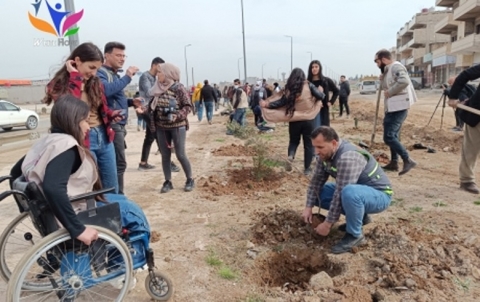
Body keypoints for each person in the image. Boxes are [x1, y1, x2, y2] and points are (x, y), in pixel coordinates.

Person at [17, 95, 150, 246]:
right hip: (74, 211)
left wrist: (29, 210)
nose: (88, 127)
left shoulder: (47, 141)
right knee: (132, 212)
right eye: (86, 121)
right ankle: (126, 262)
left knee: (123, 200)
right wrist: (78, 229)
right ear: (73, 120)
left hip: (57, 208)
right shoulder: (67, 147)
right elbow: (52, 188)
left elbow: (16, 174)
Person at [43, 42, 122, 193]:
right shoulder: (59, 84)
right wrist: (75, 77)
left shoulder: (94, 82)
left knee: (111, 187)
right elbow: (69, 108)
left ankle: (113, 215)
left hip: (104, 136)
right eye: (91, 67)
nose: (94, 73)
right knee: (90, 188)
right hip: (83, 139)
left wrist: (111, 115)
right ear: (77, 61)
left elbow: (99, 108)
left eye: (97, 69)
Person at [302, 126, 392, 254]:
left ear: (334, 143)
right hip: (356, 193)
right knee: (319, 193)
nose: (316, 151)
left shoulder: (347, 158)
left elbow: (340, 193)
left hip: (379, 195)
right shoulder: (325, 154)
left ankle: (355, 235)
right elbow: (315, 182)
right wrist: (308, 207)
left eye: (320, 147)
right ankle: (361, 218)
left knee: (349, 192)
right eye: (315, 147)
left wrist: (327, 224)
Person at [260, 68, 325, 175]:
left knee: (294, 141)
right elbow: (320, 97)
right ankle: (307, 169)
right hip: (309, 120)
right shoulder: (309, 86)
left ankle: (291, 156)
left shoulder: (289, 89)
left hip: (294, 119)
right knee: (308, 145)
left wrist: (268, 105)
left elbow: (281, 102)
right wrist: (321, 91)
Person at [97, 41, 142, 195]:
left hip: (119, 125)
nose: (122, 59)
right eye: (118, 55)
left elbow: (114, 99)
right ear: (106, 56)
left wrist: (131, 102)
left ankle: (117, 196)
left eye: (124, 55)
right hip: (112, 125)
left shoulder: (114, 74)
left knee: (118, 163)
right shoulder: (101, 73)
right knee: (117, 164)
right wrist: (127, 77)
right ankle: (117, 197)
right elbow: (105, 91)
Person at [148, 63, 195, 193]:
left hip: (177, 126)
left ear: (168, 74)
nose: (158, 75)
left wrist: (177, 115)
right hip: (161, 127)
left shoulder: (178, 88)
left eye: (160, 72)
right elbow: (152, 106)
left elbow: (187, 106)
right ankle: (168, 181)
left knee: (180, 154)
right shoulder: (156, 88)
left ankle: (190, 179)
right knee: (165, 156)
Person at [374, 49, 417, 175]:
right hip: (393, 108)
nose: (377, 65)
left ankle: (407, 159)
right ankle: (394, 162)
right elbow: (386, 86)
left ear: (383, 59)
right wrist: (382, 80)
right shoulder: (388, 70)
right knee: (394, 136)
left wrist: (390, 91)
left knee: (389, 136)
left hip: (398, 108)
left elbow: (404, 81)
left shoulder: (396, 67)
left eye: (377, 61)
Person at [137, 56, 181, 172]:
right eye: (160, 67)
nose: (162, 70)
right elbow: (149, 92)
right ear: (155, 65)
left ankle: (143, 162)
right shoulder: (145, 77)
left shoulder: (156, 78)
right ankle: (169, 163)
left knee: (150, 137)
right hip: (147, 109)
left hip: (153, 108)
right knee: (159, 135)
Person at [447, 64, 480, 194]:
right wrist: (453, 96)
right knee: (471, 149)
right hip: (476, 113)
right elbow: (465, 75)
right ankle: (467, 180)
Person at [307, 60, 339, 127]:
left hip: (323, 109)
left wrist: (331, 102)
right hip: (311, 110)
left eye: (316, 67)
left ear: (320, 68)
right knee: (312, 131)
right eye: (312, 67)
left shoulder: (326, 81)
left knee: (324, 130)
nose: (314, 69)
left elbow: (336, 91)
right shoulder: (308, 82)